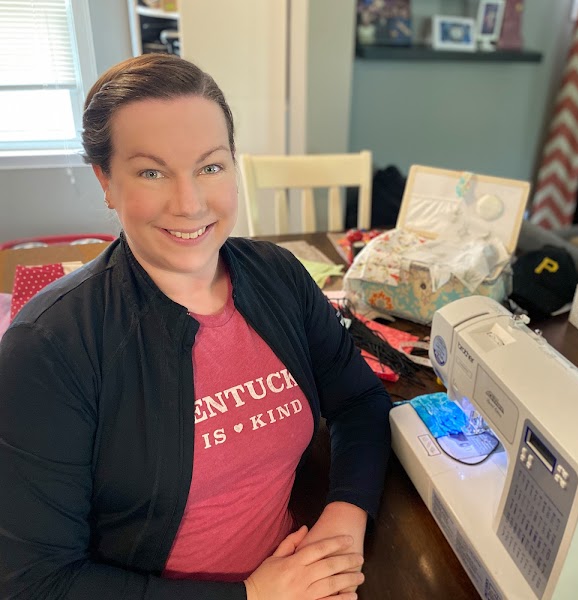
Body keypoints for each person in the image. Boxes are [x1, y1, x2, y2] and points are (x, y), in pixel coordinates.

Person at [0, 54, 391, 599]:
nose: (189, 204)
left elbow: (361, 402)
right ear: (106, 182)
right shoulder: (48, 349)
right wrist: (254, 597)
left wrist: (345, 518)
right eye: (151, 172)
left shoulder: (278, 275)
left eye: (210, 167)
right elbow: (36, 584)